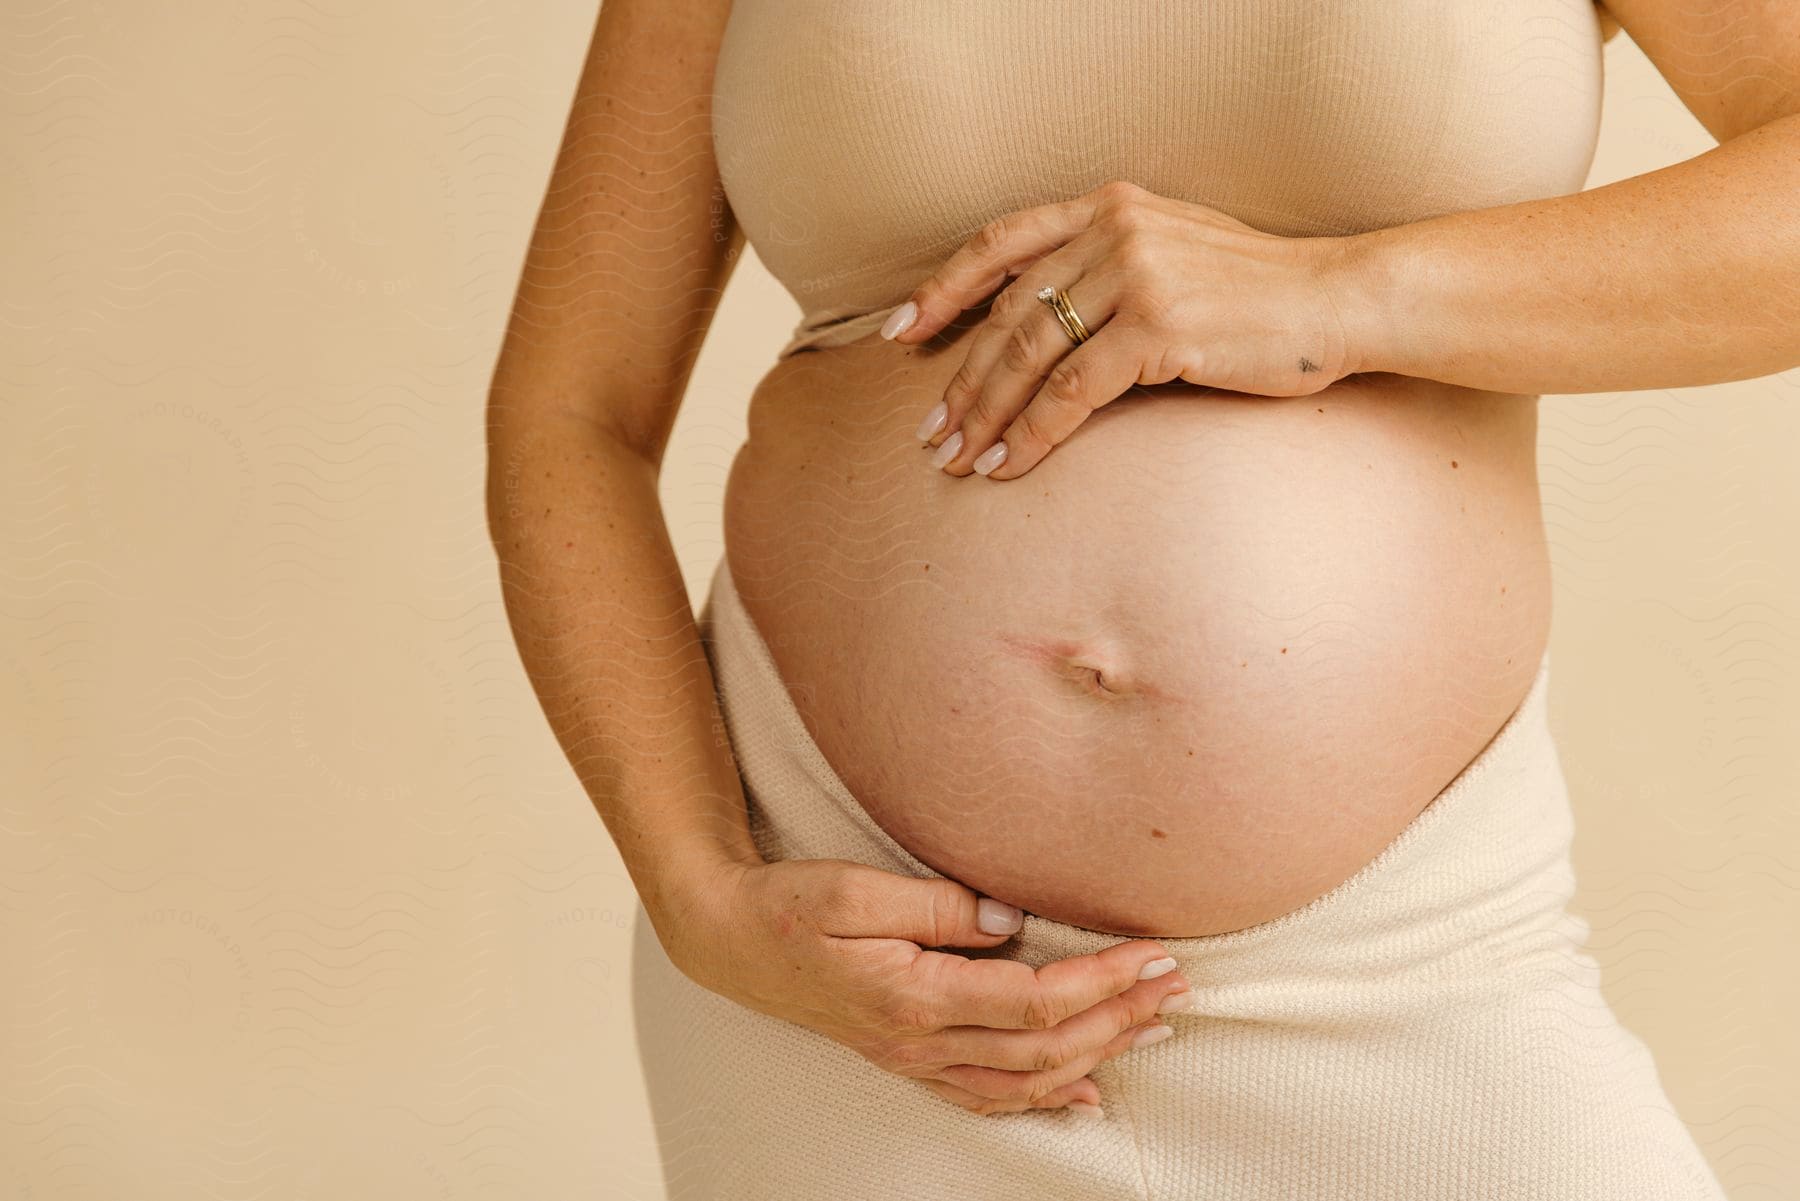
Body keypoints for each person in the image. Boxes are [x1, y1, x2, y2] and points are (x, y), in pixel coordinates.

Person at [485, 1, 1798, 1196]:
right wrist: (700, 889)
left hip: (1406, 960)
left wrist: (1335, 292)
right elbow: (567, 415)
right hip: (865, 990)